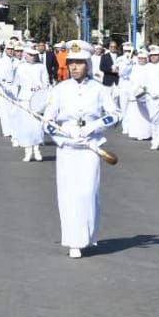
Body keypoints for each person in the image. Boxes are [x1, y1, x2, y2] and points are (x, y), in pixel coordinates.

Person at [43, 40, 118, 258]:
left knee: (87, 192)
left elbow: (115, 114)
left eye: (79, 63)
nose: (75, 67)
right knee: (68, 194)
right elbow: (47, 120)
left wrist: (95, 126)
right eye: (71, 63)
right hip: (67, 146)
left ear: (87, 64)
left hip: (90, 147)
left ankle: (87, 236)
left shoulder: (99, 89)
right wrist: (61, 137)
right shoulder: (59, 90)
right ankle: (73, 241)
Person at [12, 42, 50, 161]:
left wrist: (43, 92)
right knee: (26, 126)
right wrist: (14, 98)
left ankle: (37, 149)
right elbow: (15, 84)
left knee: (37, 126)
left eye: (34, 55)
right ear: (25, 55)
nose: (32, 57)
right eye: (29, 54)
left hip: (37, 100)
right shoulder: (20, 67)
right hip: (24, 98)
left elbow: (46, 82)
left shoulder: (41, 67)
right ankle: (27, 151)